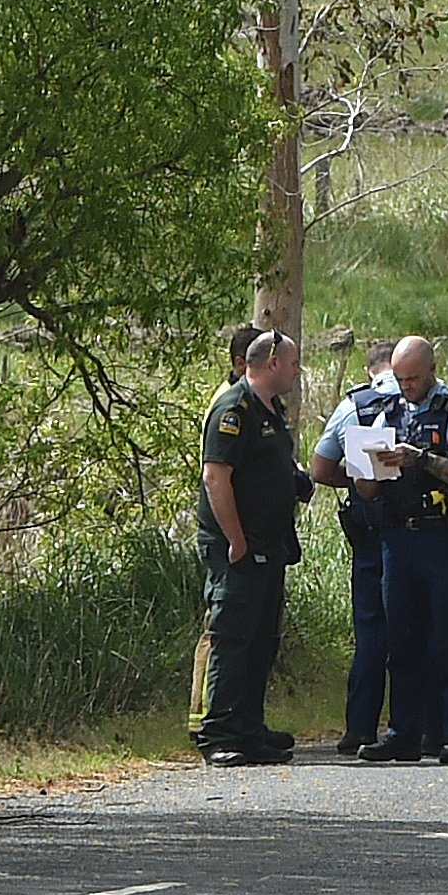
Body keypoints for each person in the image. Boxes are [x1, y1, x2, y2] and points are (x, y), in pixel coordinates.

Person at [315, 336, 448, 763]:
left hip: (443, 538)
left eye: (413, 378)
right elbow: (360, 481)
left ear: (431, 370)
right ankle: (403, 733)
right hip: (396, 538)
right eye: (401, 378)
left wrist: (422, 459)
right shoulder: (381, 412)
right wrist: (368, 470)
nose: (407, 386)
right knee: (401, 639)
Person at [195, 328, 311, 767]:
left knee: (262, 638)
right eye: (294, 364)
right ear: (274, 363)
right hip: (239, 548)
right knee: (234, 636)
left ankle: (248, 727)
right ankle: (220, 731)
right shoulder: (234, 408)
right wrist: (236, 540)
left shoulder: (271, 409)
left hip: (270, 544)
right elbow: (216, 478)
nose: (298, 373)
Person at [332, 341, 399, 756]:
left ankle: (360, 728)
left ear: (367, 369)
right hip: (420, 530)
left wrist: (359, 474)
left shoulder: (355, 406)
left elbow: (321, 467)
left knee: (372, 630)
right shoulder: (435, 398)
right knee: (416, 629)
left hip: (371, 528)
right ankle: (419, 726)